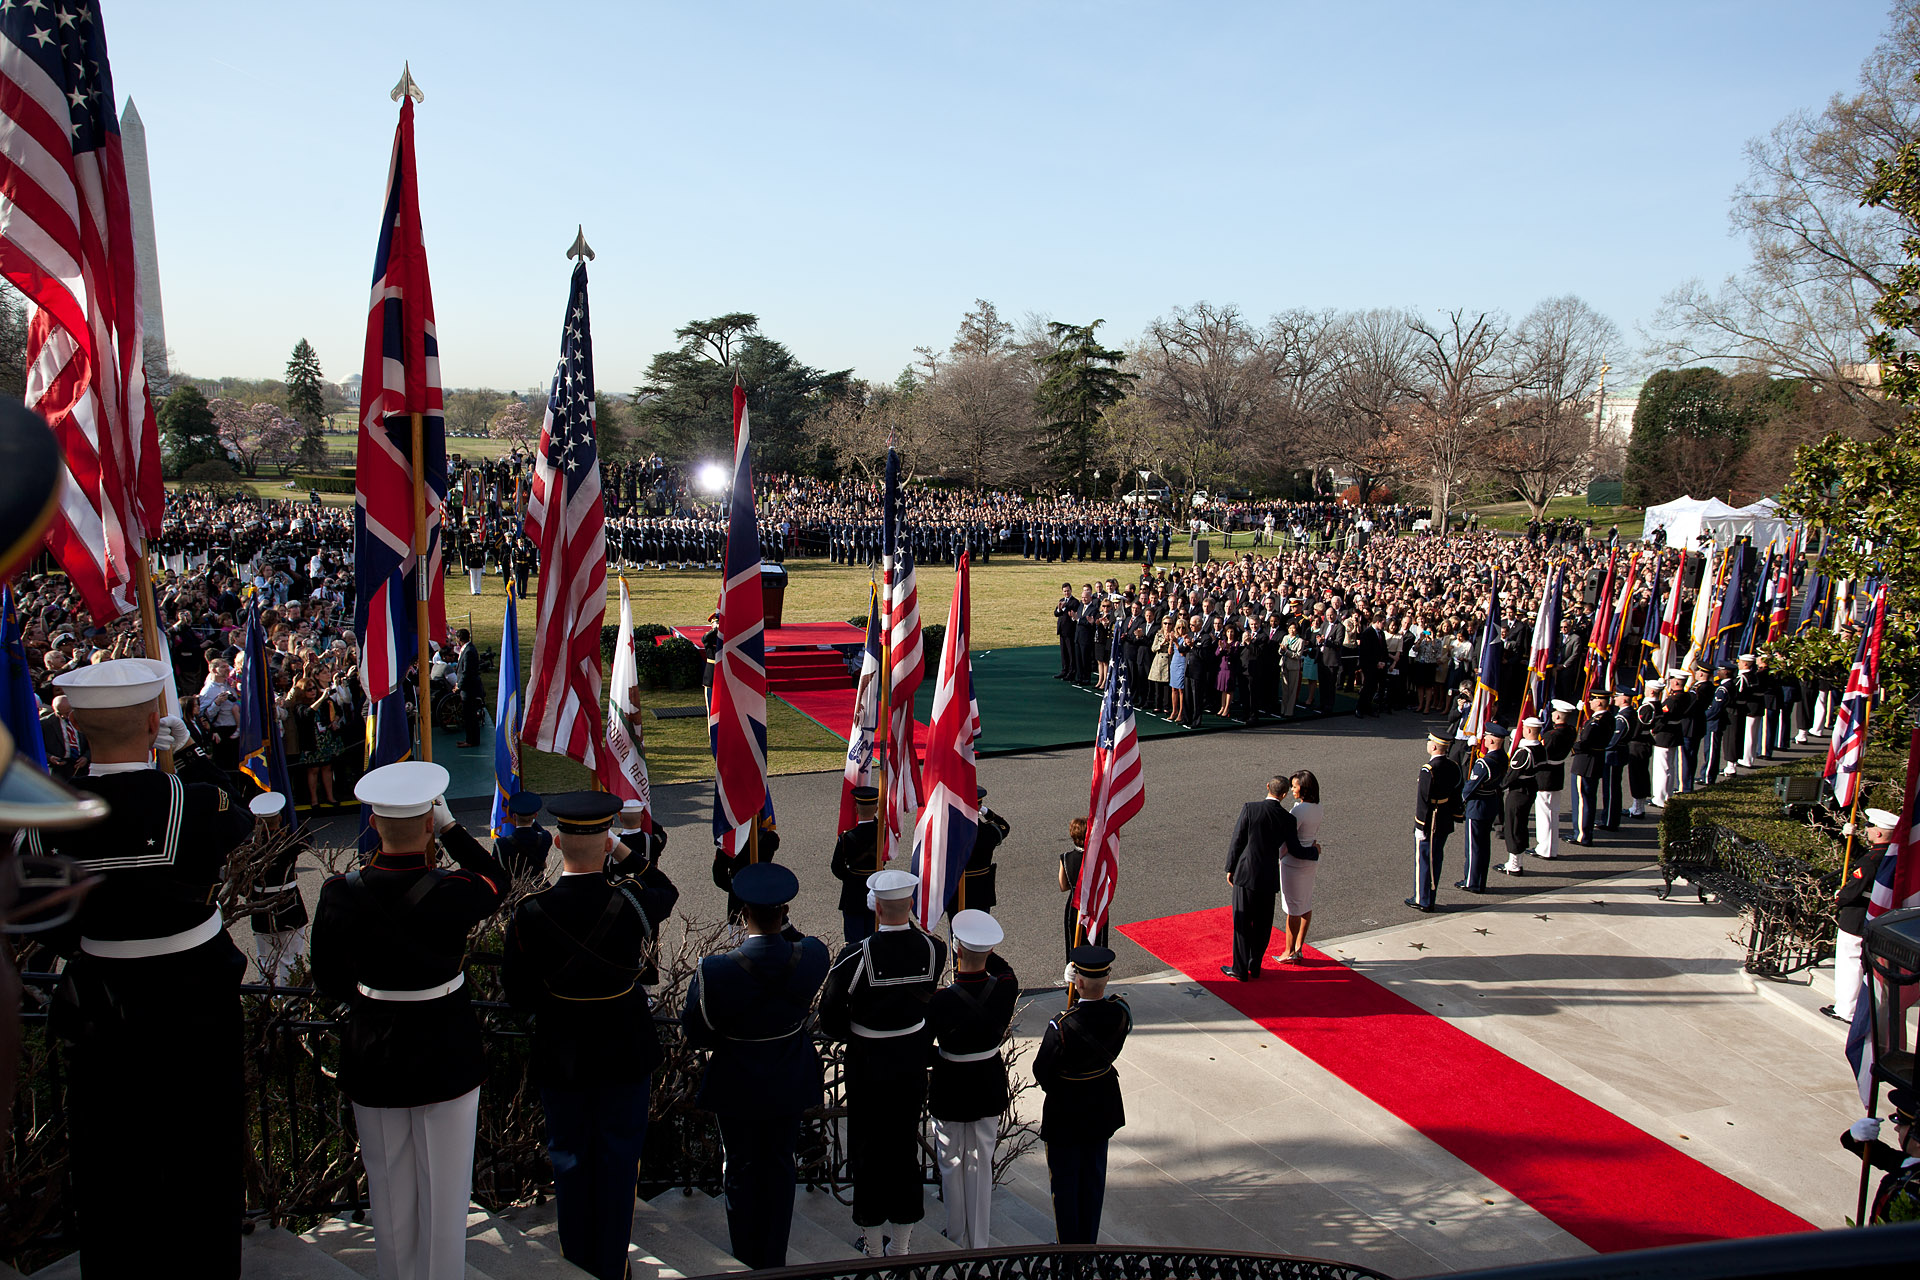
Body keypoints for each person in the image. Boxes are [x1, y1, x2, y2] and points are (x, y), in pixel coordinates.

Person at [28, 659, 254, 1278]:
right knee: (203, 1166)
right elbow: (250, 814)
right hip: (196, 1003)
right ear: (159, 721)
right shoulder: (195, 796)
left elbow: (37, 911)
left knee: (109, 1173)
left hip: (100, 1004)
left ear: (70, 718)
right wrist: (193, 757)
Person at [311, 761, 509, 1280]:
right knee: (446, 1196)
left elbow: (328, 981)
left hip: (373, 1044)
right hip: (446, 1046)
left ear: (373, 825)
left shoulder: (338, 893)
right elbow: (499, 881)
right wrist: (452, 829)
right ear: (428, 823)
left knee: (389, 1192)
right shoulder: (453, 889)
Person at [503, 791, 678, 1280]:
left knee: (571, 1160)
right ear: (606, 844)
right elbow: (664, 886)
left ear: (556, 842)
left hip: (563, 1052)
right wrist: (621, 852)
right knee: (620, 1162)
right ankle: (610, 1263)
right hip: (623, 1048)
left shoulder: (531, 912)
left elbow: (517, 994)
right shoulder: (631, 902)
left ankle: (579, 1264)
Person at [681, 863, 830, 1270]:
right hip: (788, 1078)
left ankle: (747, 1259)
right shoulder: (813, 956)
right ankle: (774, 1258)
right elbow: (803, 941)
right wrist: (782, 924)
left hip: (738, 1082)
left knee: (741, 1169)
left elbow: (696, 1030)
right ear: (784, 913)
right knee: (781, 1166)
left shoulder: (716, 970)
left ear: (742, 913)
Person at [820, 868, 948, 1256]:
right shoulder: (934, 949)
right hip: (910, 1064)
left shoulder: (854, 956)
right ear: (910, 904)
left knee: (868, 1151)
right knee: (904, 1148)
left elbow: (829, 1016)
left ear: (873, 907)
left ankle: (874, 1245)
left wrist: (857, 1031)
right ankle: (902, 1244)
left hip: (868, 1066)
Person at [927, 909, 1019, 1249]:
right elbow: (1002, 969)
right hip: (987, 1081)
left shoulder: (942, 1000)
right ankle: (978, 1240)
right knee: (981, 1162)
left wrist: (942, 1059)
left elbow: (923, 1047)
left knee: (951, 1162)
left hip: (951, 1082)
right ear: (991, 951)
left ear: (957, 949)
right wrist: (984, 949)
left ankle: (956, 1233)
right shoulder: (1006, 988)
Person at [1034, 945, 1132, 1245]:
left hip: (1067, 1112)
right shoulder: (1120, 1012)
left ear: (1077, 982)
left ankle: (1069, 1253)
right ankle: (1087, 1246)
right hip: (1101, 1106)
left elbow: (1042, 1071)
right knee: (1092, 1182)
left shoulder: (1061, 1025)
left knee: (1064, 1185)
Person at [1222, 775, 1319, 979]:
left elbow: (1237, 840)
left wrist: (1230, 868)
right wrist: (1315, 851)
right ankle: (1254, 966)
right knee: (1263, 924)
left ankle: (1239, 969)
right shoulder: (1288, 819)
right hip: (1268, 877)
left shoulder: (1250, 808)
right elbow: (1295, 850)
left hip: (1245, 873)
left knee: (1242, 922)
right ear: (1284, 794)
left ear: (1267, 787)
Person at [1822, 808, 1898, 1023]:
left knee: (1849, 963)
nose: (1868, 830)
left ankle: (1846, 1009)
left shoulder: (1871, 860)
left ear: (1879, 834)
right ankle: (1851, 1006)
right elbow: (1863, 856)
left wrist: (1839, 897)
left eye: (1871, 827)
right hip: (1875, 917)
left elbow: (1855, 886)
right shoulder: (1890, 854)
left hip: (1856, 917)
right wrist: (1849, 839)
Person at [246, 790, 311, 984]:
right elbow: (306, 836)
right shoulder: (289, 842)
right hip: (290, 903)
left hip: (260, 905)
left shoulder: (250, 847)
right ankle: (292, 1007)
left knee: (266, 961)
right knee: (292, 959)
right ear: (281, 817)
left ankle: (269, 1005)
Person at [1840, 1086, 1920, 1224]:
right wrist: (1855, 1136)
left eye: (1902, 1123)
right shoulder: (1909, 1163)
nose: (1896, 1128)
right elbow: (1881, 1156)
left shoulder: (1912, 1183)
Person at [1409, 733, 1462, 913]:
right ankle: (1430, 896)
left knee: (1424, 860)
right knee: (1436, 859)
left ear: (1433, 747)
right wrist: (1457, 814)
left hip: (1430, 819)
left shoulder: (1428, 769)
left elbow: (1423, 801)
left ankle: (1422, 899)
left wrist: (1419, 825)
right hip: (1445, 816)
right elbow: (1456, 792)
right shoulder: (1453, 766)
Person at [1277, 769, 1322, 961]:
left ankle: (1289, 951)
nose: (1292, 789)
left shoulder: (1298, 810)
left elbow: (1287, 838)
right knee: (1305, 904)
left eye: (1295, 786)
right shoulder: (1318, 807)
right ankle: (1299, 947)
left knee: (1292, 909)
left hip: (1293, 864)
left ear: (1303, 788)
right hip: (1310, 862)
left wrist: (1276, 856)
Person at [1456, 725, 1506, 894]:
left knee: (1474, 847)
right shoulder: (1502, 757)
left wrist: (1459, 801)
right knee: (1484, 846)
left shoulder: (1484, 763)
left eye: (1486, 737)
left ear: (1491, 740)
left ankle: (1471, 881)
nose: (1484, 739)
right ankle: (1480, 880)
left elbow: (1471, 787)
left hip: (1478, 805)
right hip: (1491, 802)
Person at [831, 785, 882, 942]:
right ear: (876, 808)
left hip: (852, 894)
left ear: (856, 808)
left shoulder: (847, 837)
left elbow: (836, 867)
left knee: (854, 943)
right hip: (876, 890)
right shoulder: (883, 834)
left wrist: (852, 877)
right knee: (874, 941)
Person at [1498, 718, 1542, 876]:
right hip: (1530, 787)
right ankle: (1517, 861)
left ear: (1528, 730)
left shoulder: (1524, 752)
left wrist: (1498, 786)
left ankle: (1514, 865)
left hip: (1519, 791)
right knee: (1520, 825)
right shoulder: (1539, 748)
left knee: (1513, 827)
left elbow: (1512, 775)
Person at [958, 786, 1009, 915]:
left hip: (959, 890)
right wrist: (985, 811)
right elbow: (1004, 826)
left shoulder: (953, 833)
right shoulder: (989, 832)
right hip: (982, 890)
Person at [1568, 695, 1609, 846]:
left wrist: (1569, 744)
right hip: (1595, 761)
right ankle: (1584, 832)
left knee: (1582, 800)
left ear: (1599, 703)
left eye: (1592, 700)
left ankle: (1582, 834)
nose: (1589, 702)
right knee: (1588, 799)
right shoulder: (1608, 718)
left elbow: (1584, 743)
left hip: (1585, 763)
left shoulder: (1596, 722)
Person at [1059, 815, 1099, 958]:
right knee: (1096, 943)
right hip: (1094, 903)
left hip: (1074, 904)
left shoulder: (1066, 857)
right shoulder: (1097, 858)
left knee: (1073, 944)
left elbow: (1063, 886)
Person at [494, 789, 553, 883]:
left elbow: (497, 869)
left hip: (515, 891)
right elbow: (539, 830)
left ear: (513, 817)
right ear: (535, 815)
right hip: (540, 887)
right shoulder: (546, 837)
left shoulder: (501, 844)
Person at [452, 627, 484, 748]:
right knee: (468, 715)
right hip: (467, 688)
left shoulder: (469, 651)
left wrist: (459, 686)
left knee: (470, 716)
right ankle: (469, 738)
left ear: (459, 639)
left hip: (469, 690)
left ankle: (472, 740)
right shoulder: (468, 649)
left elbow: (467, 672)